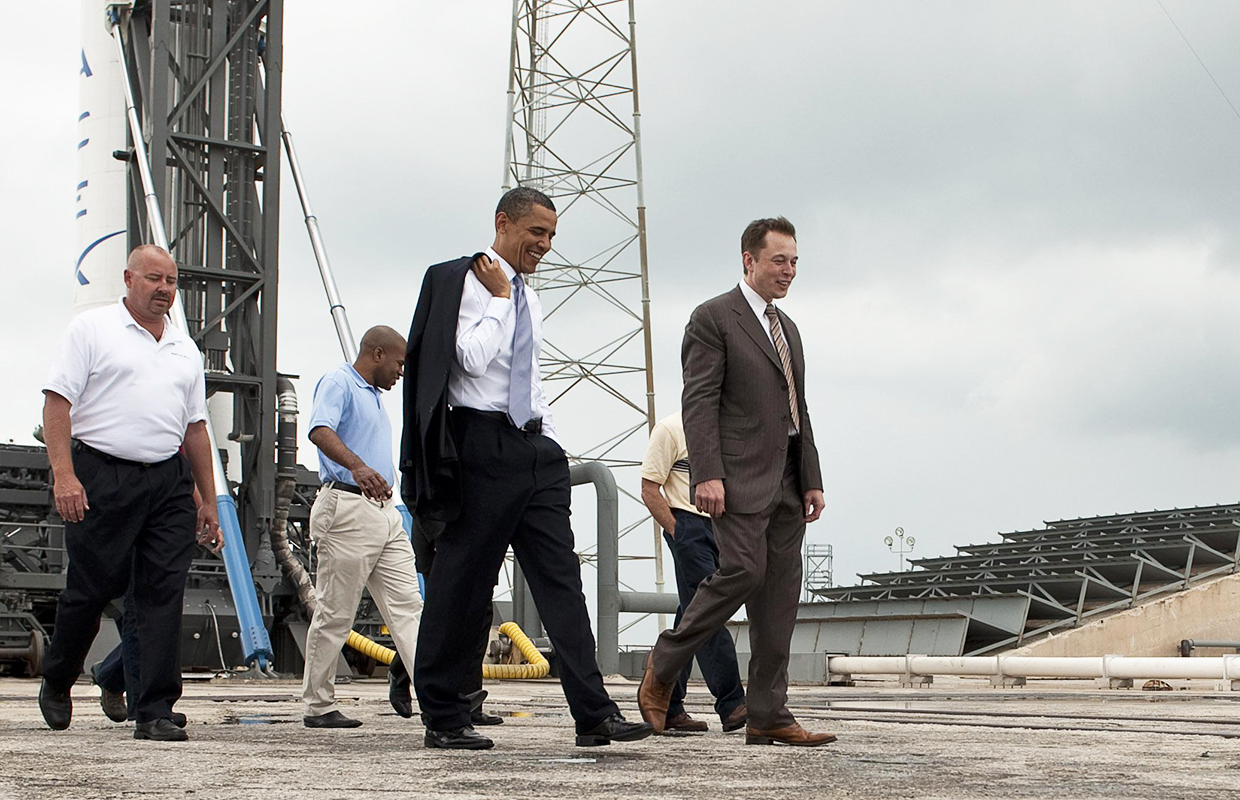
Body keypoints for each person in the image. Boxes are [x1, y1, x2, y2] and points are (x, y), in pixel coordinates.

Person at [400, 187, 653, 750]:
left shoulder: (528, 297)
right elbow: (468, 360)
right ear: (503, 223)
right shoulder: (467, 282)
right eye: (536, 232)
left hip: (535, 449)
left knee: (562, 581)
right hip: (480, 444)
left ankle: (594, 713)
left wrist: (551, 440)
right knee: (462, 581)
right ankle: (443, 714)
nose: (544, 245)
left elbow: (529, 378)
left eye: (551, 236)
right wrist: (498, 300)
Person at [637, 217, 835, 747]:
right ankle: (665, 662)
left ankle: (768, 713)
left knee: (779, 601)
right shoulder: (713, 318)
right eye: (779, 260)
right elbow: (698, 401)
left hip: (789, 482)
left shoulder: (788, 327)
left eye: (794, 261)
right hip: (738, 478)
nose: (789, 271)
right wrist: (707, 473)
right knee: (742, 572)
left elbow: (798, 410)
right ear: (749, 261)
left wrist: (811, 476)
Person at [39, 244, 222, 742]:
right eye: (154, 279)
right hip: (102, 475)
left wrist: (207, 500)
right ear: (128, 278)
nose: (164, 289)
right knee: (91, 590)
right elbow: (57, 404)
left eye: (171, 281)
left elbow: (197, 429)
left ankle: (155, 709)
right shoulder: (91, 330)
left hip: (166, 481)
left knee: (161, 594)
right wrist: (64, 475)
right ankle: (58, 678)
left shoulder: (185, 348)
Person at [301, 326, 424, 729]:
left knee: (409, 607)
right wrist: (357, 466)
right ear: (377, 354)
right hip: (347, 507)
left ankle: (437, 698)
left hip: (385, 512)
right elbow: (320, 429)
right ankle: (318, 705)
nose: (400, 372)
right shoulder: (340, 382)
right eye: (399, 363)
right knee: (336, 612)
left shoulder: (373, 397)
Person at [640, 411, 747, 733]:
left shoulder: (730, 431)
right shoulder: (671, 429)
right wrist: (678, 532)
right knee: (709, 612)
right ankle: (732, 704)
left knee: (691, 614)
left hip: (725, 527)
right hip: (688, 524)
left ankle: (669, 705)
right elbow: (649, 489)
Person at [386, 517, 503, 727]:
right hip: (441, 541)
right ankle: (401, 670)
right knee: (445, 620)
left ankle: (472, 702)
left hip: (476, 541)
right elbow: (422, 501)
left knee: (480, 616)